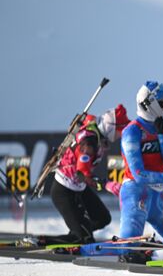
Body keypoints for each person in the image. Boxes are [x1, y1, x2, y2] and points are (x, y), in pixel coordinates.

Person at [43, 104, 130, 245]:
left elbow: (86, 119)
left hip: (79, 188)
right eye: (120, 130)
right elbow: (81, 174)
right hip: (64, 191)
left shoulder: (95, 126)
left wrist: (79, 119)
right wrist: (105, 183)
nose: (121, 134)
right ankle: (43, 241)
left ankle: (79, 230)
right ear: (110, 128)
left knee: (102, 218)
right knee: (84, 239)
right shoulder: (89, 145)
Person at [119, 81, 163, 247]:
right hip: (136, 194)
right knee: (127, 246)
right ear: (149, 103)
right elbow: (139, 175)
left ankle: (152, 251)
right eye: (162, 103)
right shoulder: (132, 131)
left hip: (157, 196)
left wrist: (162, 136)